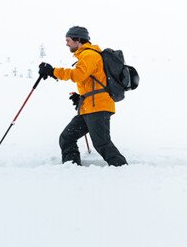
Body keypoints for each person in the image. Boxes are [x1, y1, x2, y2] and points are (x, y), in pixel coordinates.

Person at [37, 26, 128, 166]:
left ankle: (121, 168)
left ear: (78, 40)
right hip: (89, 107)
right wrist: (81, 97)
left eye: (68, 40)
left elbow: (78, 75)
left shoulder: (89, 55)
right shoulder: (86, 56)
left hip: (98, 107)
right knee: (67, 137)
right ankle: (71, 167)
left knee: (101, 143)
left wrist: (53, 71)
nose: (66, 43)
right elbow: (91, 81)